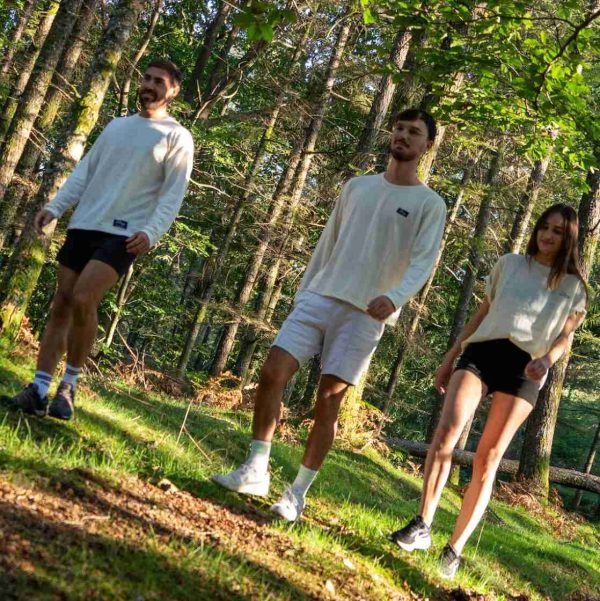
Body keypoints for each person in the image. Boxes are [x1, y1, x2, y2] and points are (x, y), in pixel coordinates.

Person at [213, 108, 448, 521]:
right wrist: (305, 291)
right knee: (272, 373)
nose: (404, 136)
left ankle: (296, 494)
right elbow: (328, 242)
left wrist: (394, 298)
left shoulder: (429, 203)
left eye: (414, 132)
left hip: (366, 315)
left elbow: (424, 261)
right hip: (320, 295)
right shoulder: (357, 187)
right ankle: (255, 468)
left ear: (427, 145)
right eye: (399, 128)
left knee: (328, 401)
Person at [388, 203, 588, 579]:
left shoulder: (574, 288)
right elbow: (482, 314)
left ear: (570, 238)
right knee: (446, 433)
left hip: (526, 368)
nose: (547, 235)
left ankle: (454, 549)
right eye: (544, 226)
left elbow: (564, 338)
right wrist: (452, 355)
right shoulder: (509, 265)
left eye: (558, 231)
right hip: (480, 354)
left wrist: (546, 361)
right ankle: (421, 525)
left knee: (489, 456)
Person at [7, 58, 194, 421]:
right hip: (85, 223)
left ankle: (69, 387)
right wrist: (56, 206)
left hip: (125, 234)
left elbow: (173, 194)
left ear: (173, 91)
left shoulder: (177, 137)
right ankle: (39, 389)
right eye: (146, 78)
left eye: (159, 81)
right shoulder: (116, 126)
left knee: (83, 297)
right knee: (62, 302)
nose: (149, 85)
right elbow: (84, 172)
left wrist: (151, 233)